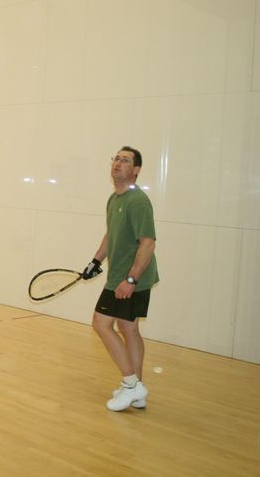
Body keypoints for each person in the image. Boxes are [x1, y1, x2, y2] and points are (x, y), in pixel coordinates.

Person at [81, 146, 159, 412]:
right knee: (129, 329)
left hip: (130, 278)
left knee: (101, 324)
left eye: (125, 160)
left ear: (135, 170)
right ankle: (137, 390)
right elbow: (110, 235)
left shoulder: (137, 201)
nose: (118, 163)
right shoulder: (115, 199)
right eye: (116, 158)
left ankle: (130, 385)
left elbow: (148, 243)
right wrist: (95, 261)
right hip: (122, 276)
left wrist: (131, 279)